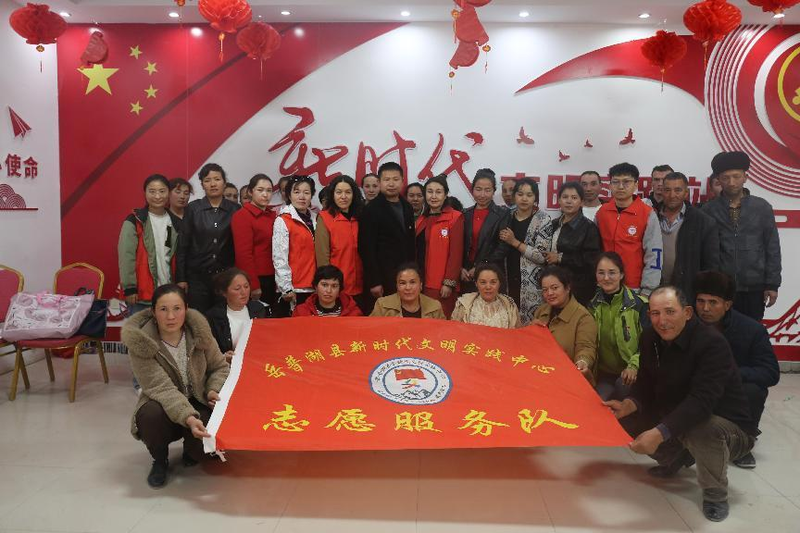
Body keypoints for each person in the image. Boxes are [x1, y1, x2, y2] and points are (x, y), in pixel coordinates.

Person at [604, 286, 756, 522]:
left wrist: (659, 433)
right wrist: (628, 405)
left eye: (670, 312)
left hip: (726, 426)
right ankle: (675, 458)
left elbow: (701, 402)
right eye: (655, 313)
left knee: (702, 429)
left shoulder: (712, 343)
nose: (662, 321)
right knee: (624, 417)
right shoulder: (650, 338)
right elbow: (644, 384)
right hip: (679, 415)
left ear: (687, 313)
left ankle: (715, 494)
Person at [121, 284, 229, 489]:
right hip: (162, 403)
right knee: (150, 416)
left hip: (198, 397)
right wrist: (189, 418)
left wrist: (212, 390)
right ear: (153, 312)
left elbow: (220, 367)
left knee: (206, 438)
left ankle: (191, 451)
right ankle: (160, 459)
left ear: (186, 309)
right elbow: (160, 387)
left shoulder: (200, 333)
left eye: (177, 308)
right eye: (163, 309)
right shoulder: (141, 342)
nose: (171, 316)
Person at [694, 270, 780, 469]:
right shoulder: (685, 324)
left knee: (754, 390)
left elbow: (770, 372)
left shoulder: (752, 330)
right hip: (695, 389)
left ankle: (742, 442)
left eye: (713, 302)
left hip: (730, 391)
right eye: (700, 301)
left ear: (727, 304)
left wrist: (732, 374)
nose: (705, 308)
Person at [702, 151, 782, 321]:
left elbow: (772, 247)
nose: (731, 182)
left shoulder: (761, 208)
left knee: (752, 332)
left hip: (755, 287)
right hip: (721, 288)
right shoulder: (709, 210)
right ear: (718, 180)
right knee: (720, 333)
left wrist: (772, 284)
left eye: (736, 176)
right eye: (726, 178)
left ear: (745, 177)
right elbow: (706, 252)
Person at [175, 163, 240, 313]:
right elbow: (183, 246)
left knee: (223, 318)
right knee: (199, 319)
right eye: (207, 180)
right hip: (197, 278)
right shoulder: (192, 209)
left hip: (226, 277)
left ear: (224, 182)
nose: (213, 184)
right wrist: (181, 278)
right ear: (202, 185)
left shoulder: (235, 210)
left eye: (217, 179)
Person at [595, 162, 662, 296]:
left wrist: (648, 290)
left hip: (634, 287)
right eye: (615, 182)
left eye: (626, 182)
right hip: (605, 284)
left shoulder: (647, 214)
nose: (620, 187)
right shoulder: (602, 212)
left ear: (635, 185)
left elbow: (654, 254)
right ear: (610, 185)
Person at [489, 177, 551, 325]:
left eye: (529, 195)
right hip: (506, 279)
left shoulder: (543, 219)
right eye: (520, 194)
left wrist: (514, 242)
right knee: (507, 325)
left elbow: (542, 256)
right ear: (514, 195)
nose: (524, 199)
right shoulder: (506, 215)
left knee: (529, 329)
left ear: (535, 197)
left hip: (531, 286)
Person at [589, 252, 649, 401]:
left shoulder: (639, 305)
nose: (606, 278)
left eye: (612, 272)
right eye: (601, 273)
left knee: (623, 387)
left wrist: (633, 366)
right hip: (604, 375)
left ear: (621, 274)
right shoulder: (592, 306)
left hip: (633, 372)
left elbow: (649, 343)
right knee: (597, 402)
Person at [118, 174, 181, 315]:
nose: (157, 196)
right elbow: (126, 256)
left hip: (169, 293)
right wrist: (130, 288)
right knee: (141, 329)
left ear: (168, 193)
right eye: (152, 191)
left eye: (162, 191)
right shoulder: (135, 220)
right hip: (142, 294)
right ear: (145, 193)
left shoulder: (175, 222)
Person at [533, 181, 601, 305]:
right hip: (552, 285)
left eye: (574, 198)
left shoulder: (588, 227)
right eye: (565, 197)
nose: (569, 201)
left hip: (576, 287)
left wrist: (560, 258)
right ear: (559, 200)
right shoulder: (552, 224)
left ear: (581, 202)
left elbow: (591, 261)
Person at [658, 172, 719, 302]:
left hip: (687, 291)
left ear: (686, 193)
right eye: (667, 190)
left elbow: (711, 265)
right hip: (654, 288)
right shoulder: (651, 217)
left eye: (678, 190)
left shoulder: (703, 222)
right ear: (662, 192)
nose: (672, 195)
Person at [359, 162, 416, 299]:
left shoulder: (407, 207)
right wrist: (374, 281)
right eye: (387, 180)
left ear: (402, 181)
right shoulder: (371, 209)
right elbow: (366, 248)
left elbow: (411, 243)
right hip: (382, 277)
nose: (391, 184)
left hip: (405, 276)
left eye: (395, 179)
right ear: (380, 182)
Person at [533, 266, 597, 385]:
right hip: (540, 373)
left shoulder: (583, 317)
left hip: (567, 378)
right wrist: (531, 331)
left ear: (567, 288)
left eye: (555, 288)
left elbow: (586, 347)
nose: (549, 293)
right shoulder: (541, 311)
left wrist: (582, 361)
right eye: (545, 290)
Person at [415, 174, 464, 317]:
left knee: (441, 321)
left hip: (440, 284)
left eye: (438, 192)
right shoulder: (421, 219)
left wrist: (449, 283)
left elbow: (456, 253)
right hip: (421, 281)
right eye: (430, 192)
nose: (433, 196)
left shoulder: (455, 217)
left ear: (445, 194)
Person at [315, 175, 365, 311]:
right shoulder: (325, 217)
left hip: (362, 285)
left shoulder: (360, 216)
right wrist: (328, 285)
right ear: (332, 194)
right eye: (339, 192)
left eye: (348, 192)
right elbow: (322, 257)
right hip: (337, 287)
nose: (343, 197)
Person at [273, 175, 317, 317]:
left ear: (312, 195)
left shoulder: (316, 218)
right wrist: (286, 288)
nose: (302, 197)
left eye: (306, 192)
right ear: (289, 195)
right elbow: (279, 256)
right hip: (294, 288)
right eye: (297, 192)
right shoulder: (283, 220)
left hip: (315, 286)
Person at [231, 174, 277, 309]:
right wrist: (253, 284)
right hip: (258, 277)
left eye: (269, 191)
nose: (265, 194)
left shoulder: (272, 215)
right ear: (250, 192)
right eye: (260, 190)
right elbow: (243, 254)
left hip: (275, 276)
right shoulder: (242, 216)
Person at [461, 168, 509, 294]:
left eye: (487, 190)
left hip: (490, 275)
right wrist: (460, 268)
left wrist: (480, 267)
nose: (482, 195)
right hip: (466, 275)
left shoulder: (502, 214)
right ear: (472, 190)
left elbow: (502, 247)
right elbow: (458, 245)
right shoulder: (464, 214)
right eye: (478, 189)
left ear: (494, 191)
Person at [205, 268, 269, 363]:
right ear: (224, 293)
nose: (243, 292)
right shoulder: (214, 316)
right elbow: (207, 352)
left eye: (246, 287)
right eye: (237, 289)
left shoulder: (258, 309)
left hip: (257, 362)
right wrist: (223, 357)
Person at [451, 263, 521, 328]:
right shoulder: (463, 304)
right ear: (476, 283)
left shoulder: (510, 306)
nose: (488, 287)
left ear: (499, 283)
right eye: (483, 282)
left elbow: (517, 333)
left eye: (493, 282)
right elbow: (454, 331)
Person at [370, 263, 446, 319]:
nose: (408, 288)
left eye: (412, 282)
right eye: (402, 283)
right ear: (397, 286)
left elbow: (443, 332)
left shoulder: (435, 307)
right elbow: (372, 330)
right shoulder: (382, 305)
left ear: (420, 285)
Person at [293, 265, 362, 317]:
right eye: (324, 285)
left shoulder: (353, 313)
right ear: (316, 287)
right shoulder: (302, 312)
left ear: (340, 289)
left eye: (334, 286)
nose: (329, 290)